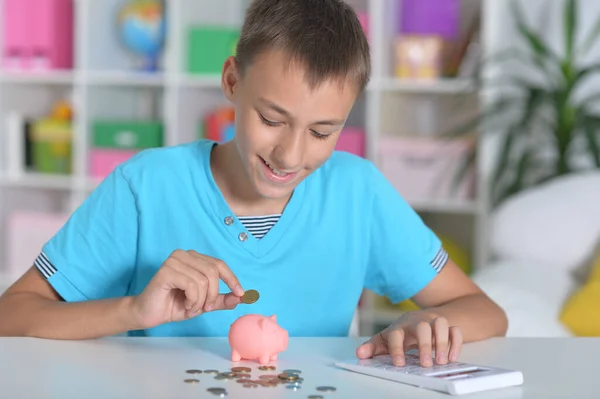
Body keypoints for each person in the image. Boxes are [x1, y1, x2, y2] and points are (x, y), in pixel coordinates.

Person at [0, 0, 507, 368]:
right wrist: (132, 311)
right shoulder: (144, 186)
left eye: (322, 131)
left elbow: (485, 311)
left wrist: (420, 325)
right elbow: (12, 314)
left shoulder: (359, 193)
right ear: (231, 82)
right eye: (271, 118)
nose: (290, 154)